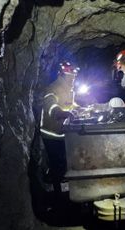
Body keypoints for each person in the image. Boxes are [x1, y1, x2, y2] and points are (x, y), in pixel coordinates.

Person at [40, 61, 79, 194]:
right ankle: (57, 194)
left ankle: (65, 190)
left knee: (64, 162)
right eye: (71, 77)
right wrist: (63, 113)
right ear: (63, 75)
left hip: (63, 133)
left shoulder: (69, 90)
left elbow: (71, 105)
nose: (73, 80)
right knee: (56, 164)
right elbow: (51, 107)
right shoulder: (52, 89)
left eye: (74, 77)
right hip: (51, 134)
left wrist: (83, 109)